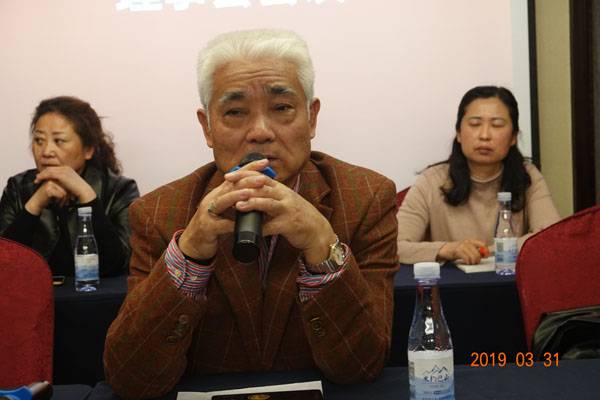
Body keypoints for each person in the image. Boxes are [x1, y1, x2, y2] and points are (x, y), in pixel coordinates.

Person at [103, 29, 399, 399]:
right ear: (207, 127)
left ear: (312, 117)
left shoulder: (366, 198)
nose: (260, 132)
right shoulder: (159, 213)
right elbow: (131, 380)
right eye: (235, 112)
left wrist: (322, 246)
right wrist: (189, 254)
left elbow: (362, 365)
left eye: (281, 108)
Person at [397, 86, 560, 265]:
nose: (484, 135)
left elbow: (551, 237)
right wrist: (448, 249)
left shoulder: (528, 177)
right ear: (459, 133)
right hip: (452, 282)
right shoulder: (432, 180)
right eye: (475, 124)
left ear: (513, 137)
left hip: (509, 280)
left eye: (497, 125)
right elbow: (395, 246)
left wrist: (485, 252)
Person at [0, 96, 139, 277]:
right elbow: (4, 265)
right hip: (34, 294)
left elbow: (121, 263)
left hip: (97, 293)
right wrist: (35, 204)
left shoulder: (120, 190)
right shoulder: (18, 188)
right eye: (39, 140)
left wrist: (87, 195)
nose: (46, 152)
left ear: (88, 149)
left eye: (59, 141)